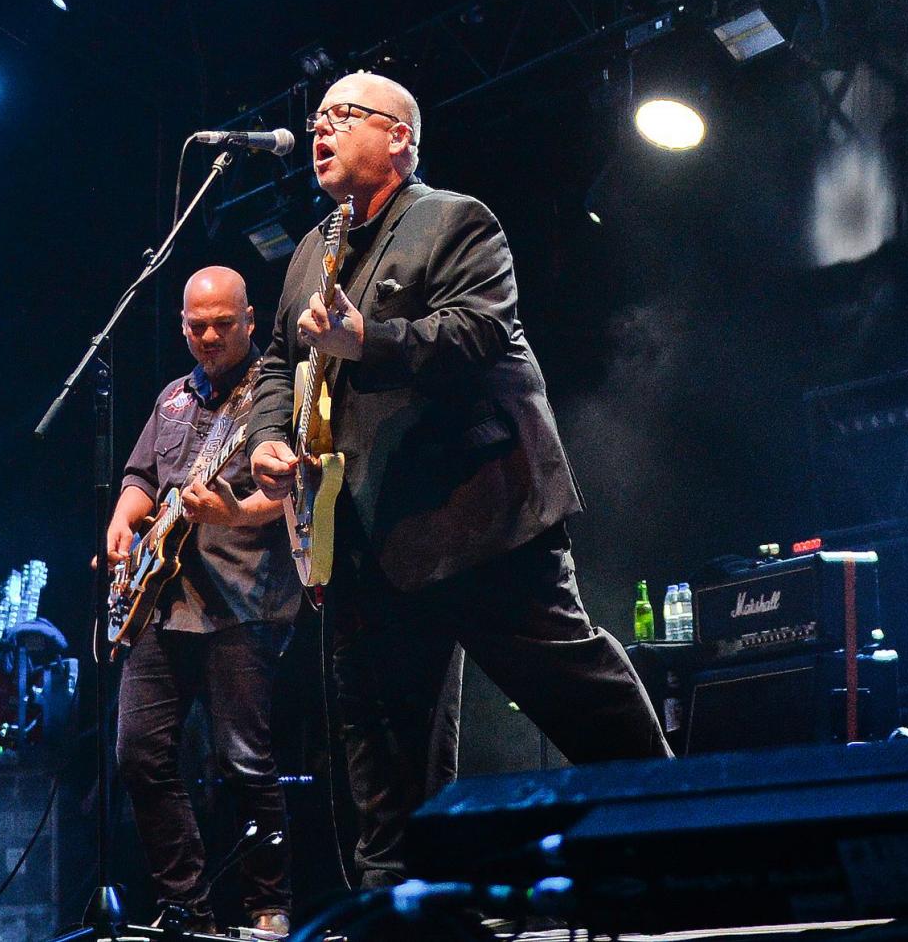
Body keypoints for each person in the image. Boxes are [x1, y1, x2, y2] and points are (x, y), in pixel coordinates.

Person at [246, 72, 665, 885]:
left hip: (480, 513)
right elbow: (276, 360)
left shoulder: (456, 219)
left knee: (575, 688)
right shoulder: (311, 248)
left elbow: (479, 331)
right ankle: (399, 909)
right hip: (368, 533)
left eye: (344, 116)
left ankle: (680, 830)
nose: (321, 130)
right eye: (317, 117)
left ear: (399, 137)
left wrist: (370, 338)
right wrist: (267, 438)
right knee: (381, 746)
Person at [106, 266, 300, 938]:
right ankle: (187, 904)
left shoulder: (273, 395)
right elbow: (140, 475)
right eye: (197, 325)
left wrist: (233, 511)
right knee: (138, 754)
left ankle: (268, 906)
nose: (210, 335)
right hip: (161, 602)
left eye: (224, 322)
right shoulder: (170, 399)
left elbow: (295, 494)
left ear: (251, 319)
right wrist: (123, 519)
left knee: (243, 762)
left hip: (244, 601)